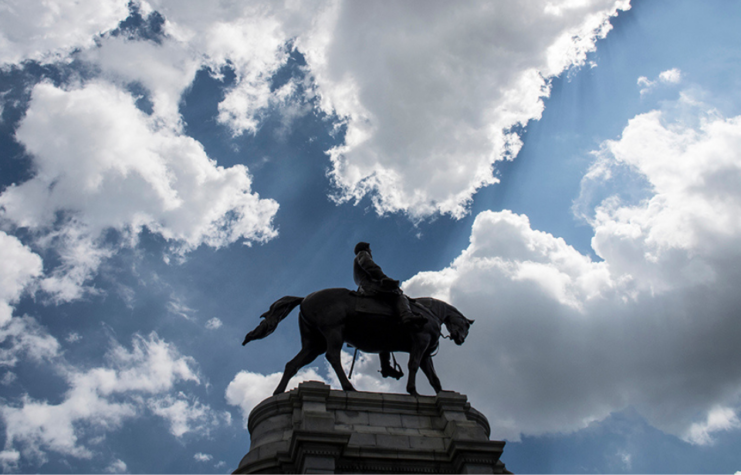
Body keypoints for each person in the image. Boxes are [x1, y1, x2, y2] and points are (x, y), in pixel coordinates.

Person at [353, 242, 426, 326]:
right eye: (369, 248)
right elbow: (369, 266)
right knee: (397, 293)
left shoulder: (356, 261)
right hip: (369, 286)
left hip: (363, 288)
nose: (371, 250)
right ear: (366, 248)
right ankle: (407, 315)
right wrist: (383, 277)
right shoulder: (363, 254)